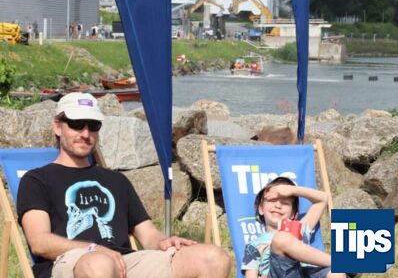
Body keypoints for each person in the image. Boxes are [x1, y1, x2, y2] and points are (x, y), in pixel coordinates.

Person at [17, 93, 230, 278]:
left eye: (93, 126)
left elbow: (148, 234)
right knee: (98, 264)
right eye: (76, 124)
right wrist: (93, 249)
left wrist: (164, 242)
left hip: (124, 263)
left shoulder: (116, 180)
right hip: (70, 262)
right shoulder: (36, 180)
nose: (85, 134)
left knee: (214, 257)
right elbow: (39, 242)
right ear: (58, 126)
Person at [241, 177, 345, 278]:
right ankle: (340, 262)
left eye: (285, 203)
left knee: (336, 273)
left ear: (293, 214)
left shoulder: (300, 227)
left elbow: (323, 199)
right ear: (261, 209)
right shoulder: (253, 245)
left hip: (306, 273)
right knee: (281, 238)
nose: (278, 206)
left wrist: (293, 190)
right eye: (272, 201)